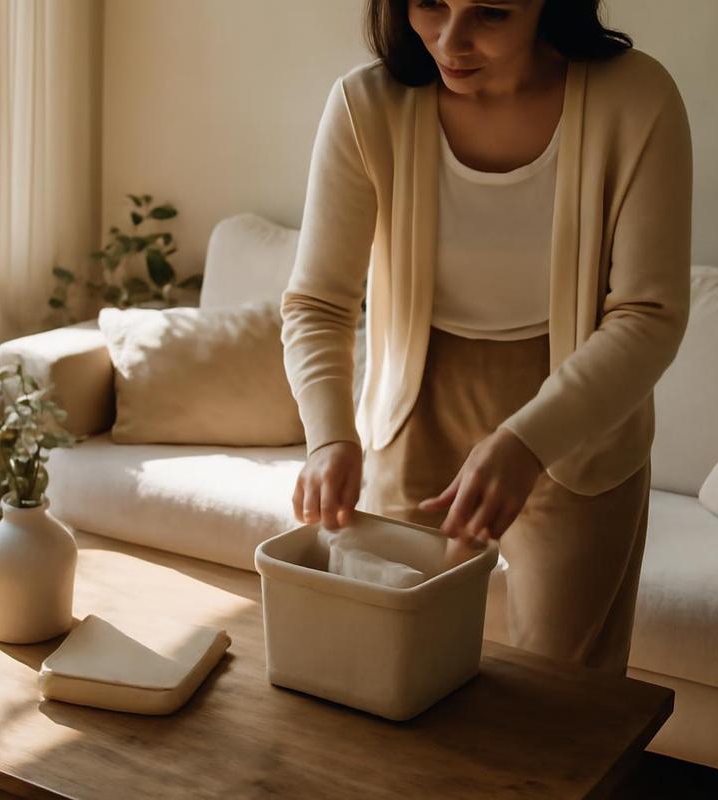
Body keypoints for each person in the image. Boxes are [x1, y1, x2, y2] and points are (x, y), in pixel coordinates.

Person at [280, 0, 692, 674]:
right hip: (413, 412)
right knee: (388, 673)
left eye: (491, 13)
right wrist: (329, 434)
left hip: (579, 419)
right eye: (430, 4)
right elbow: (319, 302)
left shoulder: (638, 97)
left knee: (563, 706)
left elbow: (650, 315)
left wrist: (528, 443)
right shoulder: (366, 104)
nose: (451, 39)